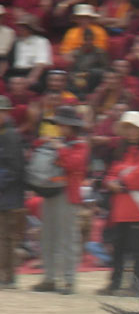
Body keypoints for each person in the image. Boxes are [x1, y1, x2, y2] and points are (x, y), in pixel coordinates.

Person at [98, 111, 139, 295]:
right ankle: (115, 283)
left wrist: (119, 181)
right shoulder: (122, 152)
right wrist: (113, 181)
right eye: (129, 128)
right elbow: (110, 174)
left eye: (134, 128)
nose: (131, 132)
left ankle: (136, 285)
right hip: (122, 209)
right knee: (118, 249)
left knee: (138, 251)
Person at [32, 106, 89, 294]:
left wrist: (60, 149)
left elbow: (74, 164)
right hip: (51, 192)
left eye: (63, 124)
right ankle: (49, 278)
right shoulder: (58, 142)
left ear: (72, 126)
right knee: (47, 236)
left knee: (67, 238)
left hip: (68, 194)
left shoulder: (80, 144)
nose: (60, 127)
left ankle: (68, 280)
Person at [0, 96, 24, 289]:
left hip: (8, 195)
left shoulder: (10, 136)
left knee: (6, 237)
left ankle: (8, 277)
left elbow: (15, 169)